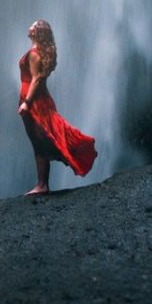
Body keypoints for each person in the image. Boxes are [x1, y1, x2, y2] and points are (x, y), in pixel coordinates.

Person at [18, 19, 97, 194]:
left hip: (35, 103)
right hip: (37, 100)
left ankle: (42, 185)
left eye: (33, 25)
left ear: (37, 32)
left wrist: (27, 103)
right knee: (42, 140)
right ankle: (42, 184)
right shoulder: (37, 53)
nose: (29, 26)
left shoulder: (34, 54)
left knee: (40, 141)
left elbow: (36, 79)